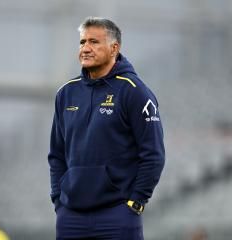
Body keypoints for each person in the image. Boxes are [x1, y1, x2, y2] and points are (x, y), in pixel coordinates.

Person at [48, 16, 165, 240]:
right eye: (82, 42)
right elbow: (56, 154)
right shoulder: (66, 93)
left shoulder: (134, 91)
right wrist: (58, 200)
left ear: (114, 48)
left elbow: (153, 155)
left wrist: (136, 201)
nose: (86, 48)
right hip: (71, 217)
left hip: (117, 215)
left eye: (94, 42)